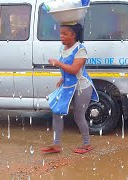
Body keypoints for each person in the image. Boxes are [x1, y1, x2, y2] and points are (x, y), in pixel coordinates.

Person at [42, 23, 99, 154]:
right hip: (68, 86)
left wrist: (58, 63)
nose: (61, 36)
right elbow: (67, 70)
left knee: (79, 116)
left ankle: (87, 144)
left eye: (65, 34)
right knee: (57, 113)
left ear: (73, 35)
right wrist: (62, 78)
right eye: (61, 33)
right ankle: (56, 144)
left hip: (82, 87)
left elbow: (74, 69)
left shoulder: (80, 49)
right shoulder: (63, 48)